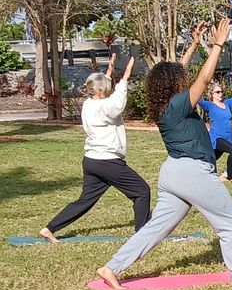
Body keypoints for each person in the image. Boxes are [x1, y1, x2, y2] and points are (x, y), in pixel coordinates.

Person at [96, 20, 232, 290]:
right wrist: (217, 45)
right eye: (180, 79)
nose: (184, 79)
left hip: (173, 173)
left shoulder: (167, 106)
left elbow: (182, 72)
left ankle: (112, 267)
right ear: (173, 85)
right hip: (192, 172)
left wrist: (193, 44)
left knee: (156, 229)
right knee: (228, 221)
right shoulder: (179, 104)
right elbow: (202, 79)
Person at [40, 56, 150, 243]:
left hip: (91, 161)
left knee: (86, 200)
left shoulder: (89, 104)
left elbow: (103, 85)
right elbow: (117, 102)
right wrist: (125, 77)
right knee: (142, 191)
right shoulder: (105, 107)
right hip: (107, 161)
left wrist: (111, 66)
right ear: (99, 90)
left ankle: (49, 228)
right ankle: (142, 235)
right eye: (105, 88)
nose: (108, 89)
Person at [199, 73, 232, 181]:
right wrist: (201, 84)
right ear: (212, 94)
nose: (220, 94)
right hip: (216, 138)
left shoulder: (227, 103)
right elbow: (198, 100)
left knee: (212, 158)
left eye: (221, 92)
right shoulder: (209, 106)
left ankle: (202, 172)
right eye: (218, 92)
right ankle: (230, 175)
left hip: (228, 137)